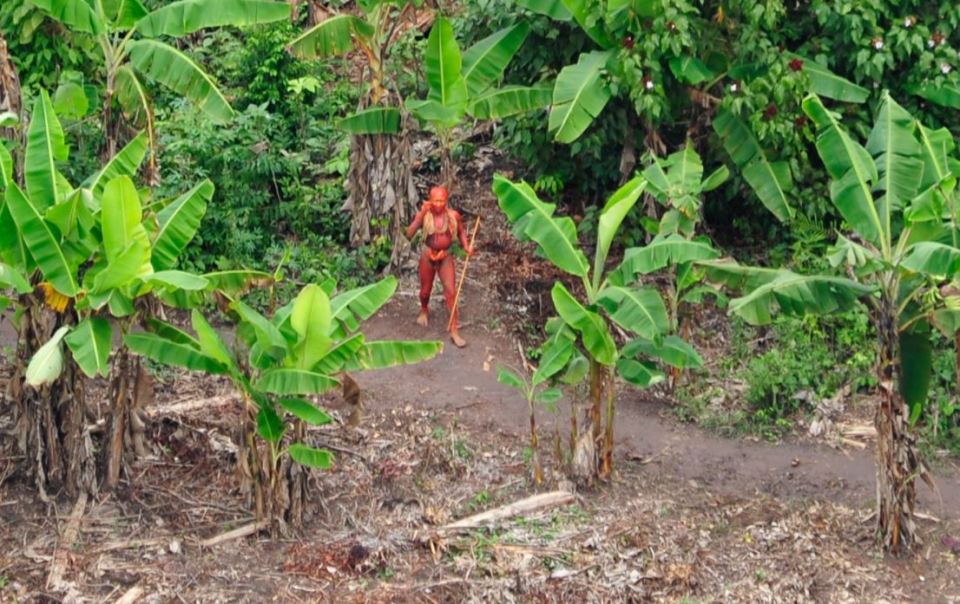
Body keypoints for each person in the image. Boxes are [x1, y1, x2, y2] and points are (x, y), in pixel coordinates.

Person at [405, 185, 475, 348]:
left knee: (451, 292)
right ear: (429, 200)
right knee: (424, 291)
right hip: (427, 255)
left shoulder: (453, 216)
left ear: (446, 200)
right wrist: (421, 213)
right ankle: (424, 310)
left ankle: (454, 330)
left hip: (445, 256)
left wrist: (466, 246)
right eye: (435, 200)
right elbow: (409, 234)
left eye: (442, 200)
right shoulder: (425, 215)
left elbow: (462, 232)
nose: (438, 204)